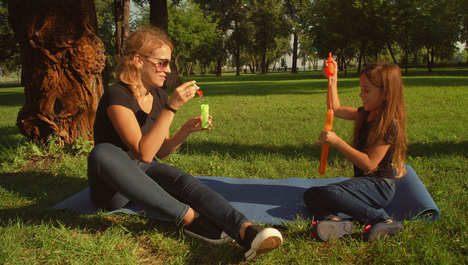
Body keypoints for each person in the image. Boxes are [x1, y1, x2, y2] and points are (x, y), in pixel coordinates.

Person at [87, 26, 282, 260]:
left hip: (143, 170)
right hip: (114, 185)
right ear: (138, 61)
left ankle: (246, 231)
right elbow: (143, 153)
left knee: (184, 181)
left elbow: (160, 150)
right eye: (162, 62)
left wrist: (185, 130)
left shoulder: (157, 95)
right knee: (103, 153)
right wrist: (172, 108)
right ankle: (190, 219)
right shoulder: (117, 95)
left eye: (169, 63)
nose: (168, 70)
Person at [304, 61, 407, 242]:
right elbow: (334, 109)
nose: (361, 95)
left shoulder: (389, 125)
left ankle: (381, 220)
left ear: (385, 93)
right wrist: (332, 79)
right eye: (361, 89)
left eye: (366, 90)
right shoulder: (365, 113)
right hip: (365, 182)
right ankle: (334, 222)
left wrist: (337, 142)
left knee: (331, 193)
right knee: (311, 194)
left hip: (379, 186)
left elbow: (369, 164)